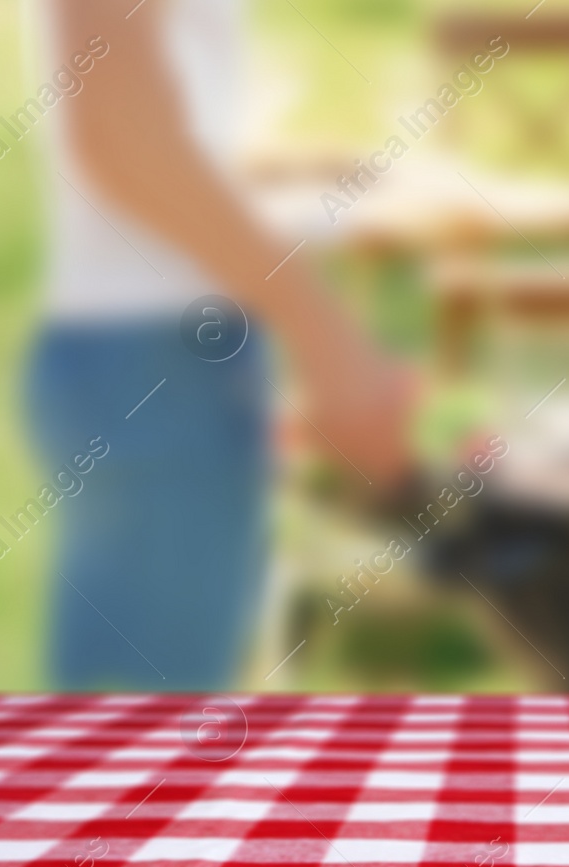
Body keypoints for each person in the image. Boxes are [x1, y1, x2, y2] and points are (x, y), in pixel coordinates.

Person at [28, 0, 411, 689]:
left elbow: (149, 118)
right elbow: (119, 132)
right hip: (150, 366)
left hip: (169, 361)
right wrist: (327, 337)